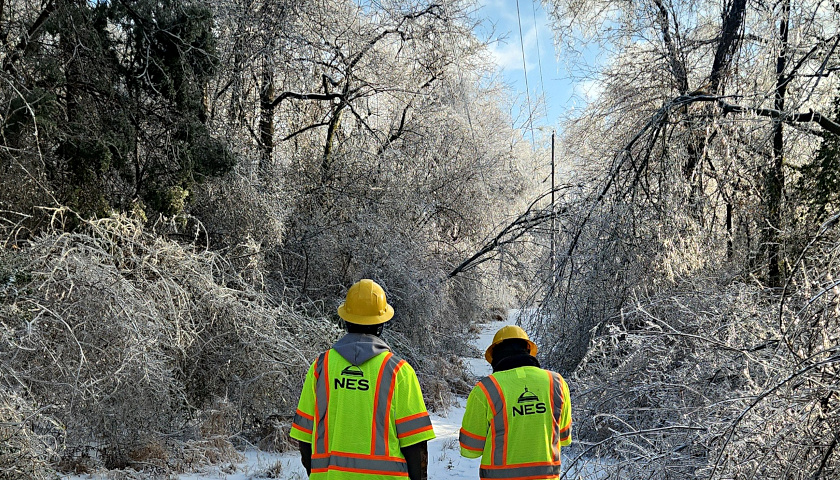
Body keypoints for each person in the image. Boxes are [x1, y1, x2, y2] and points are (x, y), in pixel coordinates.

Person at [290, 279, 436, 480]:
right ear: (381, 324)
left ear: (345, 319)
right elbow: (416, 446)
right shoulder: (399, 371)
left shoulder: (320, 367)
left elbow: (304, 438)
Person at [459, 325, 572, 479]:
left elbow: (470, 449)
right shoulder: (557, 382)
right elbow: (564, 438)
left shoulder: (485, 389)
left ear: (494, 355)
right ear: (528, 349)